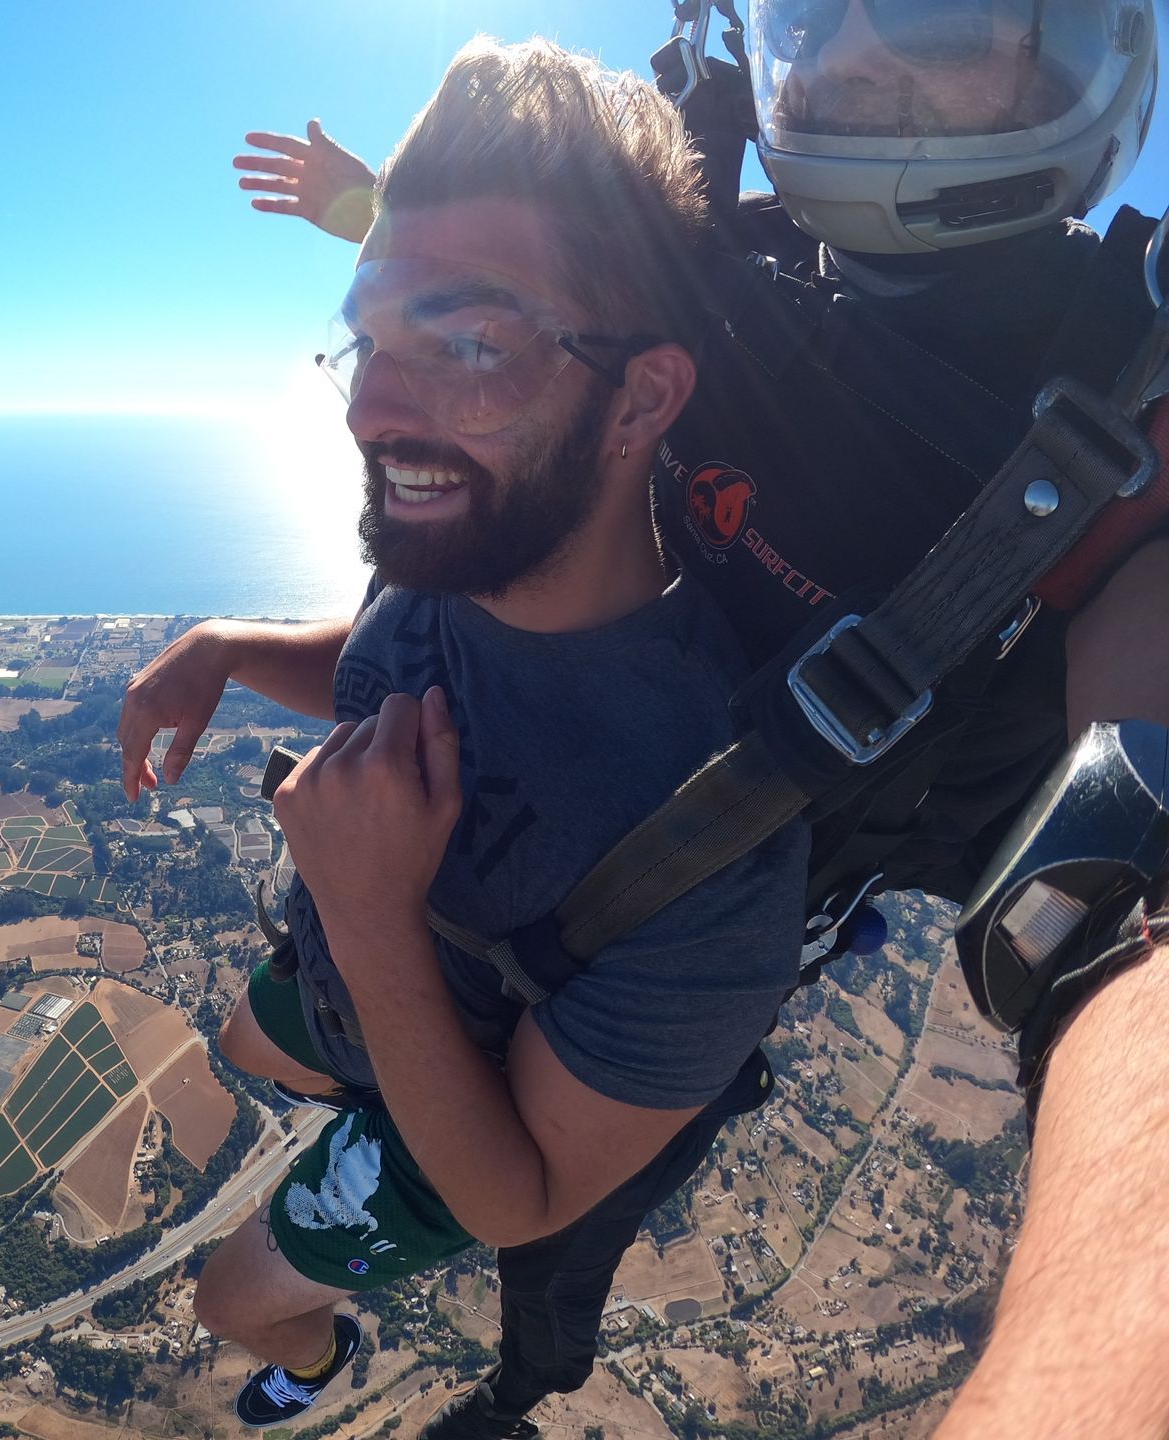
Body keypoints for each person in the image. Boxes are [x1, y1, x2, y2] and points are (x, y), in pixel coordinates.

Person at [236, 3, 1169, 1436]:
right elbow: (541, 310)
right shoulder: (739, 271)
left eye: (931, 6)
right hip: (453, 880)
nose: (854, 51)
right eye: (816, 5)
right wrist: (376, 221)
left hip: (622, 945)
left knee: (320, 1183)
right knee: (264, 1051)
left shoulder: (1127, 433)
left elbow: (1141, 892)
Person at [119, 37, 811, 1430]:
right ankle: (350, 1090)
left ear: (643, 401)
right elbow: (386, 668)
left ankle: (312, 1364)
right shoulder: (468, 536)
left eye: (469, 346)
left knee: (224, 1300)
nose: (375, 409)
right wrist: (232, 652)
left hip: (472, 1107)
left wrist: (369, 913)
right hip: (363, 989)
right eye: (373, 339)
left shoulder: (713, 839)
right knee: (243, 1056)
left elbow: (519, 1197)